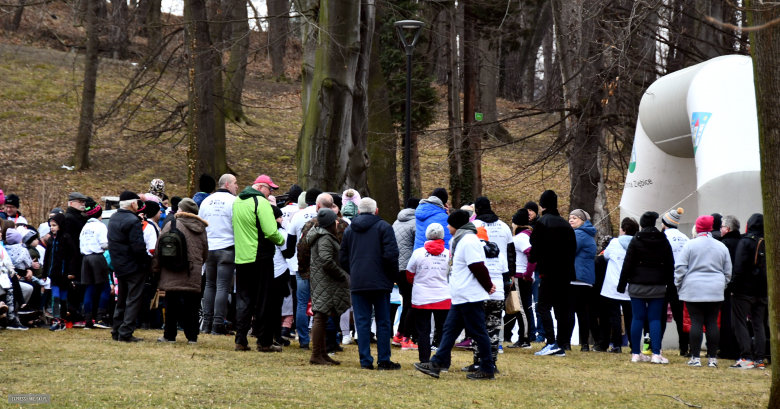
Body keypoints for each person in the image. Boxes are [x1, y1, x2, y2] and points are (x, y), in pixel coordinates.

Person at [413, 210, 497, 380]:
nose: (447, 227)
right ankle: (436, 364)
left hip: (469, 295)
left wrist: (488, 286)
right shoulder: (458, 240)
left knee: (479, 332)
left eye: (450, 224)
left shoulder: (468, 241)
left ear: (457, 225)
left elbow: (478, 267)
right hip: (460, 295)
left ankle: (487, 368)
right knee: (449, 330)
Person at [340, 198, 401, 370]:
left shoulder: (349, 230)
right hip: (381, 282)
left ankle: (365, 360)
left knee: (362, 321)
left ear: (359, 211)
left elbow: (343, 258)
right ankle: (384, 360)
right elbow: (391, 255)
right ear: (376, 210)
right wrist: (392, 277)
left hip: (359, 281)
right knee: (383, 321)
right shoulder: (384, 227)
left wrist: (355, 271)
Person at [232, 175, 286, 352]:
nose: (270, 193)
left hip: (242, 256)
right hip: (260, 256)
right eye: (270, 189)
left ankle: (240, 339)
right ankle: (264, 341)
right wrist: (280, 240)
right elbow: (271, 231)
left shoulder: (238, 201)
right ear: (261, 187)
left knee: (243, 298)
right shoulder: (261, 202)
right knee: (264, 300)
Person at [675, 215, 732, 368]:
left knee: (696, 322)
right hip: (715, 288)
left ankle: (695, 357)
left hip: (693, 288)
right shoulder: (721, 246)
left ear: (698, 228)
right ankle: (712, 358)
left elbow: (680, 268)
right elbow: (728, 271)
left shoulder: (690, 245)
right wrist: (722, 284)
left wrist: (679, 285)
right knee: (712, 322)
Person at [617, 211, 674, 364]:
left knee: (637, 318)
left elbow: (627, 264)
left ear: (641, 225)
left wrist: (621, 285)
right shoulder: (663, 239)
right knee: (655, 319)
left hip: (637, 285)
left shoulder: (636, 240)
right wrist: (671, 286)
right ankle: (656, 353)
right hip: (658, 285)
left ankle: (636, 353)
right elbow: (670, 265)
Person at [154, 198, 209, 345]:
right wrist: (197, 265)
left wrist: (156, 269)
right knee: (192, 305)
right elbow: (205, 252)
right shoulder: (201, 227)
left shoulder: (171, 224)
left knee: (171, 302)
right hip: (193, 271)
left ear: (181, 210)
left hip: (172, 268)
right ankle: (192, 337)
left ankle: (169, 335)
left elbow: (159, 247)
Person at [530, 190, 576, 357]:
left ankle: (551, 342)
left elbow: (535, 248)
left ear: (542, 205)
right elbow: (573, 249)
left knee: (542, 306)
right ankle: (562, 342)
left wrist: (534, 258)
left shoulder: (542, 223)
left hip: (549, 272)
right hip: (566, 273)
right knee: (562, 309)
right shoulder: (566, 225)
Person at [307, 208, 351, 365]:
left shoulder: (323, 235)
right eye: (335, 221)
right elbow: (326, 261)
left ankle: (322, 353)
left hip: (324, 281)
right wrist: (341, 274)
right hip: (325, 282)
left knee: (323, 317)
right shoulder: (325, 238)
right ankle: (316, 354)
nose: (338, 222)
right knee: (320, 317)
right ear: (330, 224)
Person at [199, 173, 238, 335]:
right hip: (227, 247)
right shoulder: (235, 202)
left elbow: (200, 224)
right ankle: (218, 323)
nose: (237, 186)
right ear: (227, 184)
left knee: (209, 284)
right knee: (223, 286)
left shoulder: (206, 201)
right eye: (235, 183)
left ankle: (206, 323)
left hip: (210, 247)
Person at [109, 191, 151, 342]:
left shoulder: (113, 218)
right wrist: (147, 264)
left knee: (121, 299)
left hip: (119, 266)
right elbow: (138, 247)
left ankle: (116, 330)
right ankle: (126, 332)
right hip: (134, 267)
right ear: (133, 204)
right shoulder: (133, 221)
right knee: (133, 299)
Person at [406, 223, 451, 364]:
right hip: (443, 296)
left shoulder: (418, 253)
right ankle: (444, 362)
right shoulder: (448, 254)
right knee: (444, 331)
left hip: (422, 297)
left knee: (423, 331)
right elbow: (452, 274)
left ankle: (424, 360)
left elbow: (409, 274)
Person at [285, 188, 323, 349]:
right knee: (320, 303)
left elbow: (290, 243)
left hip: (300, 265)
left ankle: (303, 340)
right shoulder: (325, 216)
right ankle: (322, 340)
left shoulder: (298, 216)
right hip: (321, 265)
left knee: (301, 302)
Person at [729, 213, 767, 369]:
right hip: (762, 290)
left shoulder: (745, 242)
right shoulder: (767, 241)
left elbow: (739, 267)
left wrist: (732, 286)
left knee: (739, 322)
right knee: (759, 324)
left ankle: (746, 357)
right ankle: (760, 359)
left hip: (744, 290)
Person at [599, 217, 638, 353]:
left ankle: (616, 344)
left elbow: (606, 256)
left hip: (612, 285)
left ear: (624, 230)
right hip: (629, 285)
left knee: (614, 316)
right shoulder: (637, 243)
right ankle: (634, 345)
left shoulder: (615, 242)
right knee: (630, 317)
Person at [564, 209, 597, 351]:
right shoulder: (588, 234)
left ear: (583, 220)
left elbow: (569, 251)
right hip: (586, 278)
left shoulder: (579, 234)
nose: (571, 220)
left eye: (575, 218)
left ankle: (566, 342)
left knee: (570, 309)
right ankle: (584, 344)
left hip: (576, 277)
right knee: (583, 311)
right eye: (570, 218)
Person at [660, 207, 690, 357]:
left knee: (660, 314)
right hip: (682, 281)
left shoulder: (663, 237)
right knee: (680, 316)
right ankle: (684, 346)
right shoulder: (685, 238)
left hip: (665, 280)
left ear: (665, 223)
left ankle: (657, 345)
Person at [392, 196, 420, 349]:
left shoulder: (396, 222)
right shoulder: (416, 223)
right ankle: (406, 339)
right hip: (408, 268)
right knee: (412, 303)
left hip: (396, 267)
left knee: (407, 301)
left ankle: (399, 334)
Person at [79, 198, 111, 329]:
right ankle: (100, 319)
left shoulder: (85, 227)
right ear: (99, 214)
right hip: (97, 257)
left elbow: (81, 245)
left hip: (85, 259)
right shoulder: (100, 226)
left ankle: (87, 321)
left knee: (89, 289)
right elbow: (104, 244)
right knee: (105, 288)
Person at [506, 209, 535, 349]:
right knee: (520, 307)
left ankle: (525, 338)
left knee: (521, 308)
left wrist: (527, 274)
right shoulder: (527, 236)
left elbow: (532, 255)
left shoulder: (520, 238)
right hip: (521, 276)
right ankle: (523, 337)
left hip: (520, 276)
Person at [43, 213, 77, 331]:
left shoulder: (67, 239)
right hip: (54, 275)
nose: (52, 228)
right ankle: (56, 320)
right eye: (51, 225)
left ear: (60, 225)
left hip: (64, 275)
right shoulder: (51, 240)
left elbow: (73, 256)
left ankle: (62, 319)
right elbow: (47, 257)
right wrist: (44, 273)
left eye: (54, 225)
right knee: (55, 297)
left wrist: (72, 272)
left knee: (63, 299)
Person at [718, 215, 742, 360]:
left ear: (727, 229)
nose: (720, 229)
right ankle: (739, 349)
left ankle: (726, 349)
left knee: (726, 319)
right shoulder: (742, 242)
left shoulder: (724, 244)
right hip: (741, 287)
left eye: (721, 227)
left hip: (726, 287)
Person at [269, 205, 292, 347]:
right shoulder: (280, 234)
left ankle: (264, 332)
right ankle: (277, 335)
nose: (282, 219)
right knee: (277, 306)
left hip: (265, 272)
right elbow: (287, 253)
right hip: (279, 272)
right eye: (279, 216)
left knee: (265, 304)